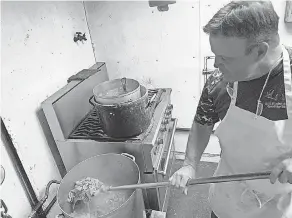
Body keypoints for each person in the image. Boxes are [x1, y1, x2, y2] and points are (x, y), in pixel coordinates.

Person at [169, 1, 292, 218]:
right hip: (229, 196)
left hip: (277, 205)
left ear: (259, 51)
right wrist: (189, 164)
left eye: (225, 58)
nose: (216, 64)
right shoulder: (220, 81)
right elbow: (202, 121)